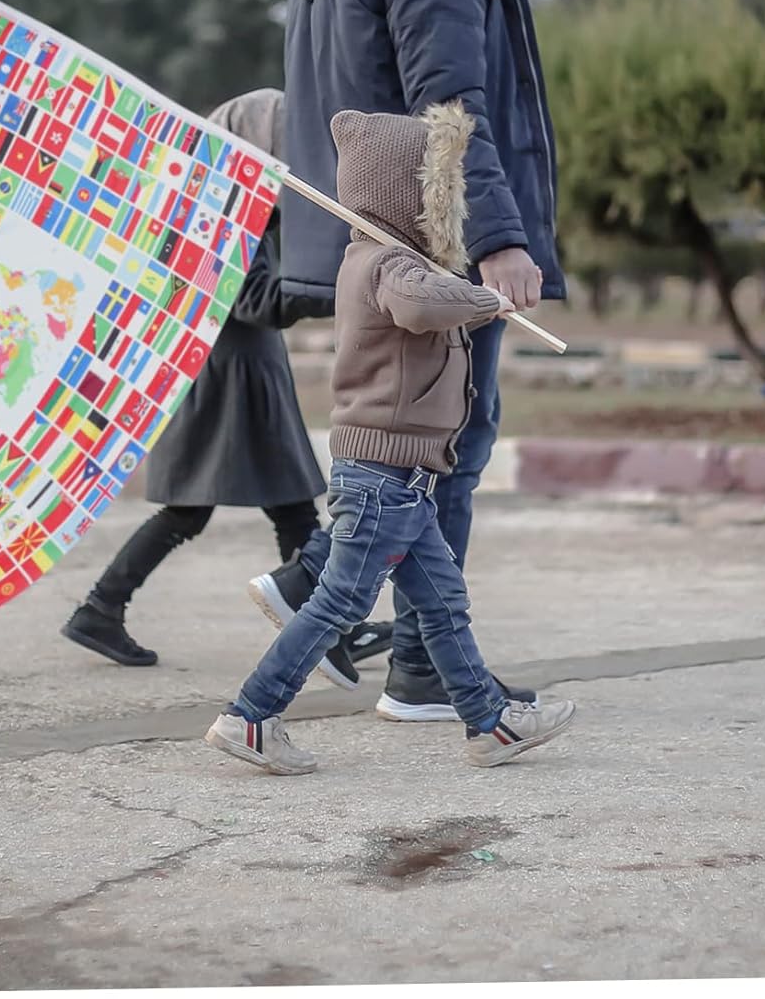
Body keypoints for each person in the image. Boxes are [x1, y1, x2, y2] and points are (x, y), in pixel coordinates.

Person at [246, 0, 565, 722]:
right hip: (436, 231)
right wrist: (501, 237)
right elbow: (450, 102)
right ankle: (393, 645)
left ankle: (341, 602)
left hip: (367, 223)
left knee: (422, 439)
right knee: (453, 438)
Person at [205, 103, 576, 774]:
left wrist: (466, 293)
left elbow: (429, 298)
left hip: (405, 478)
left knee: (442, 601)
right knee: (339, 603)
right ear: (407, 197)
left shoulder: (394, 260)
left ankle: (490, 723)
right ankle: (251, 716)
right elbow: (422, 306)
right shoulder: (385, 264)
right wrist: (487, 299)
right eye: (439, 192)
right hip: (381, 477)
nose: (449, 207)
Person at [62, 88, 391, 683]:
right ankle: (101, 607)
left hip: (242, 370)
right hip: (230, 378)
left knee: (284, 507)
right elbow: (256, 300)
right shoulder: (218, 212)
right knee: (206, 509)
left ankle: (331, 627)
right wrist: (342, 288)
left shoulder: (240, 207)